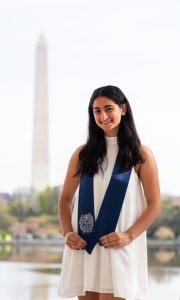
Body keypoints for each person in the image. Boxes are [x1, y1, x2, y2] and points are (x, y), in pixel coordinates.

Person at [58, 85, 161, 300]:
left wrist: (128, 236)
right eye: (96, 111)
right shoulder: (83, 154)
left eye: (108, 108)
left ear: (123, 109)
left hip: (118, 244)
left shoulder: (140, 154)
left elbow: (154, 205)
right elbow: (65, 199)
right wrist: (67, 233)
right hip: (84, 245)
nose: (103, 116)